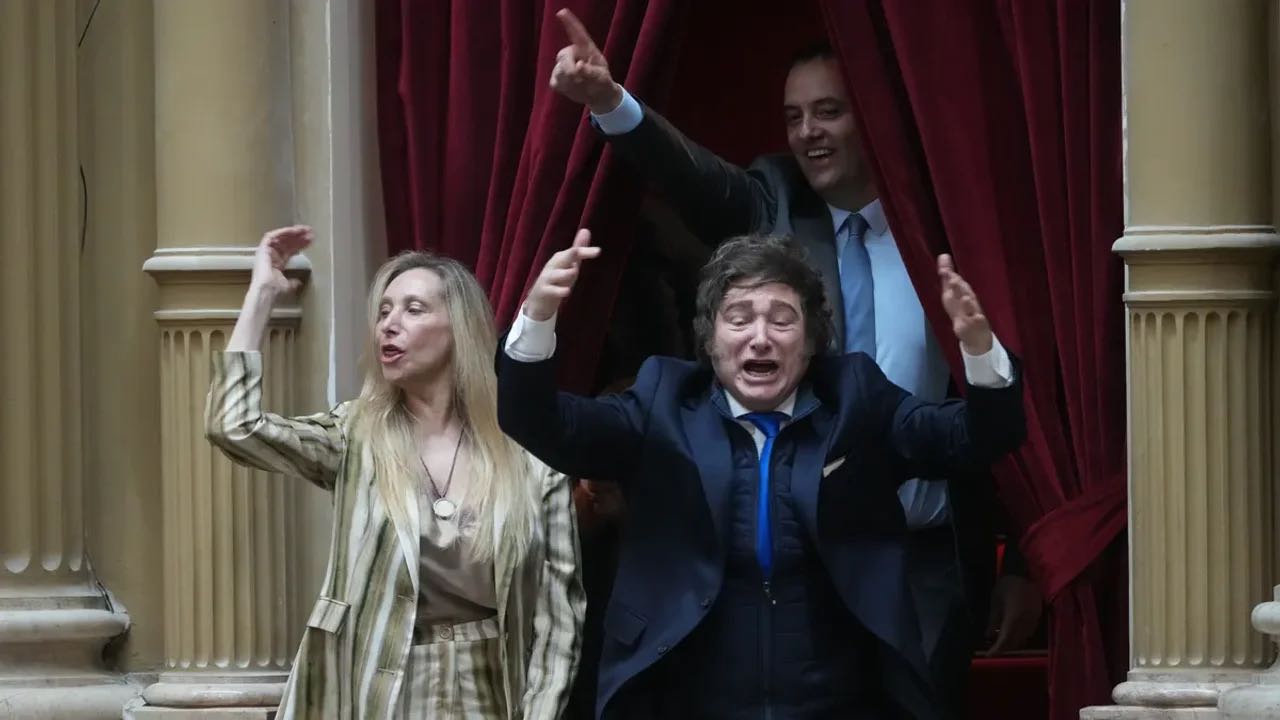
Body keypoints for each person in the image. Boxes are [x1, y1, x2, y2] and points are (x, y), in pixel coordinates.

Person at [548, 10, 1043, 713]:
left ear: (874, 116)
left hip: (926, 552)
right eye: (794, 116)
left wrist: (1021, 555)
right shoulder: (774, 201)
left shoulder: (949, 228)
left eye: (829, 111)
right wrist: (608, 101)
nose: (809, 132)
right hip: (803, 552)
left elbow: (999, 409)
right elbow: (693, 177)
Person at [497, 230, 1026, 719]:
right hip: (685, 697)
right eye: (739, 318)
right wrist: (538, 319)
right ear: (709, 339)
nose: (760, 337)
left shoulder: (856, 399)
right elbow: (538, 421)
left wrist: (980, 353)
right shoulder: (663, 403)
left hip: (839, 698)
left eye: (782, 319)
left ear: (811, 339)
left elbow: (975, 438)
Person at [204, 226, 584, 719]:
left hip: (489, 692)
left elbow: (560, 621)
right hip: (378, 690)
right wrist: (261, 295)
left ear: (459, 329)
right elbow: (234, 427)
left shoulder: (528, 456)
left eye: (413, 309)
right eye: (384, 311)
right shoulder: (356, 436)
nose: (389, 324)